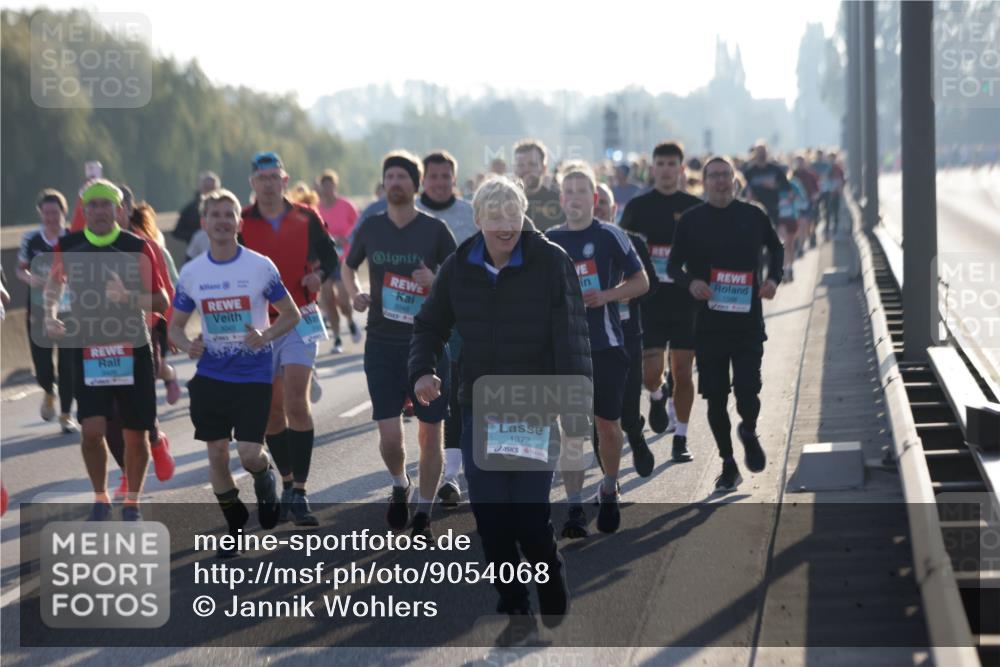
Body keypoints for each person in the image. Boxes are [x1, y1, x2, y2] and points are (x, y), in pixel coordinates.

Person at [409, 175, 589, 646]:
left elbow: (572, 340)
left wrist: (574, 416)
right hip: (480, 406)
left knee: (529, 517)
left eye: (513, 216)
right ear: (479, 220)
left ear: (524, 214)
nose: (506, 226)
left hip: (533, 404)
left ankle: (548, 574)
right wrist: (423, 372)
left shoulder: (551, 262)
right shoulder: (459, 266)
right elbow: (428, 326)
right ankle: (516, 609)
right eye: (495, 218)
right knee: (491, 518)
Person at [170, 188, 300, 557]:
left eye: (230, 215)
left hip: (253, 374)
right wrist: (185, 343)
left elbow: (290, 314)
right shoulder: (193, 273)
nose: (223, 221)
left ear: (239, 223)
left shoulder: (260, 266)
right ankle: (235, 524)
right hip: (211, 374)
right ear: (204, 223)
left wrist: (267, 334)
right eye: (216, 215)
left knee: (247, 453)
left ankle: (264, 473)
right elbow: (175, 326)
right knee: (215, 453)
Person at [342, 151, 457, 537]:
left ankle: (424, 511)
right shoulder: (372, 227)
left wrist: (435, 278)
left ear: (416, 184)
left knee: (430, 432)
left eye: (402, 177)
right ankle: (399, 484)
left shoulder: (435, 230)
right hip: (382, 342)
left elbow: (460, 279)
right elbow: (347, 264)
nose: (395, 183)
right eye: (389, 176)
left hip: (428, 343)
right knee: (390, 435)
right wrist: (355, 291)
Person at [44, 179, 169, 521]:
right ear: (84, 211)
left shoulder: (137, 246)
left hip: (133, 348)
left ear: (118, 210)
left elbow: (162, 300)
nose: (99, 211)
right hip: (90, 349)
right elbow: (55, 283)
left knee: (134, 433)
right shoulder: (68, 245)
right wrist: (51, 315)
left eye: (106, 205)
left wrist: (129, 298)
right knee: (92, 431)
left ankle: (132, 502)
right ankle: (100, 497)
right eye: (92, 206)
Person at [667, 157, 783, 492]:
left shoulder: (753, 215)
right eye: (713, 175)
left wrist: (774, 280)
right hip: (708, 325)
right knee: (715, 399)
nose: (720, 181)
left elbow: (777, 250)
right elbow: (674, 265)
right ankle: (728, 463)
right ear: (703, 182)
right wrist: (689, 283)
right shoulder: (691, 221)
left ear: (735, 180)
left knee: (748, 391)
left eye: (725, 175)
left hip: (747, 324)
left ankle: (748, 428)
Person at [546, 162, 648, 536]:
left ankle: (607, 486)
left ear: (593, 197)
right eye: (567, 191)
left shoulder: (610, 235)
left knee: (607, 426)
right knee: (572, 429)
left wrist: (606, 295)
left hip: (606, 345)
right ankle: (574, 507)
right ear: (561, 199)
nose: (574, 197)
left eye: (580, 191)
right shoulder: (548, 239)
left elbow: (641, 282)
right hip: (566, 351)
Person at [241, 151, 340, 526]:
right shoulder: (241, 221)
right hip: (258, 326)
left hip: (299, 319)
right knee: (271, 410)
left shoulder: (306, 216)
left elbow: (332, 258)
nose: (268, 183)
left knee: (296, 401)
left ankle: (299, 491)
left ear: (285, 180)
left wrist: (319, 277)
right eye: (261, 177)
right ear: (252, 183)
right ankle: (284, 481)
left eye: (274, 176)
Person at [619, 142, 703, 462]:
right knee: (650, 373)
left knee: (684, 371)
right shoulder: (638, 207)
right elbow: (621, 251)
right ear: (652, 169)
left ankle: (680, 437)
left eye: (672, 164)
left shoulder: (695, 207)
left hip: (685, 302)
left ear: (682, 169)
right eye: (661, 164)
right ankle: (656, 394)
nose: (666, 170)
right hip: (650, 302)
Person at [416, 150, 478, 506]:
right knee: (436, 403)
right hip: (413, 322)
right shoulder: (406, 216)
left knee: (458, 394)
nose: (439, 182)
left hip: (463, 317)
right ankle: (443, 473)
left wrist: (438, 279)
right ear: (423, 180)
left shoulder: (470, 214)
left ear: (454, 179)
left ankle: (452, 476)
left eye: (445, 176)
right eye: (433, 176)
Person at [596, 184, 658, 477]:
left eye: (603, 203)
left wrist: (625, 293)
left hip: (627, 335)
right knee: (599, 417)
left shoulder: (631, 241)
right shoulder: (569, 243)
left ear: (614, 208)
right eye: (594, 202)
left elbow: (651, 286)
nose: (598, 208)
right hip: (592, 341)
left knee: (629, 405)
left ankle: (635, 433)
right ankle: (611, 481)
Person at [17, 189, 78, 433]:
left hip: (69, 309)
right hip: (39, 309)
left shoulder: (74, 238)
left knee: (68, 364)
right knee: (42, 364)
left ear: (64, 213)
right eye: (47, 213)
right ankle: (48, 390)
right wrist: (30, 278)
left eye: (55, 212)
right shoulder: (31, 239)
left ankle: (65, 414)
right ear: (41, 214)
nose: (51, 217)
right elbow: (20, 269)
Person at [316, 169, 361, 353]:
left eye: (330, 185)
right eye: (324, 186)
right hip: (325, 260)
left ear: (335, 186)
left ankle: (350, 321)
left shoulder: (346, 205)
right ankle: (336, 339)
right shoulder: (317, 208)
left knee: (343, 300)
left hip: (344, 259)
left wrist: (346, 237)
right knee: (327, 300)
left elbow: (359, 225)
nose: (327, 189)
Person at [513, 139, 565, 231]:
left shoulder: (559, 202)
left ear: (544, 168)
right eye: (521, 165)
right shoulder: (505, 202)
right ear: (514, 168)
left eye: (532, 164)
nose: (526, 170)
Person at [742, 142, 789, 226]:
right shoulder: (750, 172)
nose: (761, 154)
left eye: (763, 152)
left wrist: (774, 186)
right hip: (755, 208)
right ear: (755, 154)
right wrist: (748, 194)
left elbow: (786, 187)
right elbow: (744, 189)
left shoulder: (775, 170)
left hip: (773, 207)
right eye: (759, 152)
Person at [173, 171, 221, 250]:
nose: (210, 191)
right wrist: (195, 235)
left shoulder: (225, 209)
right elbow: (177, 232)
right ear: (200, 188)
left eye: (212, 188)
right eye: (206, 187)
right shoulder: (190, 209)